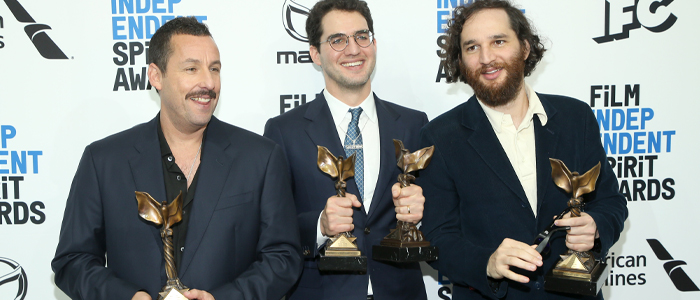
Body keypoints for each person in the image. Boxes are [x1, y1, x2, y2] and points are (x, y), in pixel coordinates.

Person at [52, 17, 301, 300]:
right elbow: (72, 261)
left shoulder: (261, 157)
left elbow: (283, 258)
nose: (208, 82)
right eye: (191, 69)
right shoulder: (104, 161)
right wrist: (128, 297)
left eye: (214, 69)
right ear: (156, 76)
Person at [419, 1, 628, 299]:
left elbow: (610, 202)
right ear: (461, 60)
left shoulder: (575, 118)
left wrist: (595, 227)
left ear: (526, 48)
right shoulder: (439, 136)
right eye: (472, 47)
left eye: (498, 41)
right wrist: (487, 262)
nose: (487, 58)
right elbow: (437, 238)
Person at [263, 0, 428, 299]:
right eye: (337, 40)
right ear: (315, 53)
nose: (353, 49)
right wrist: (320, 225)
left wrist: (421, 214)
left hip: (401, 292)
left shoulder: (413, 124)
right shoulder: (283, 131)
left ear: (374, 43)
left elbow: (441, 219)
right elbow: (271, 230)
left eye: (361, 36)